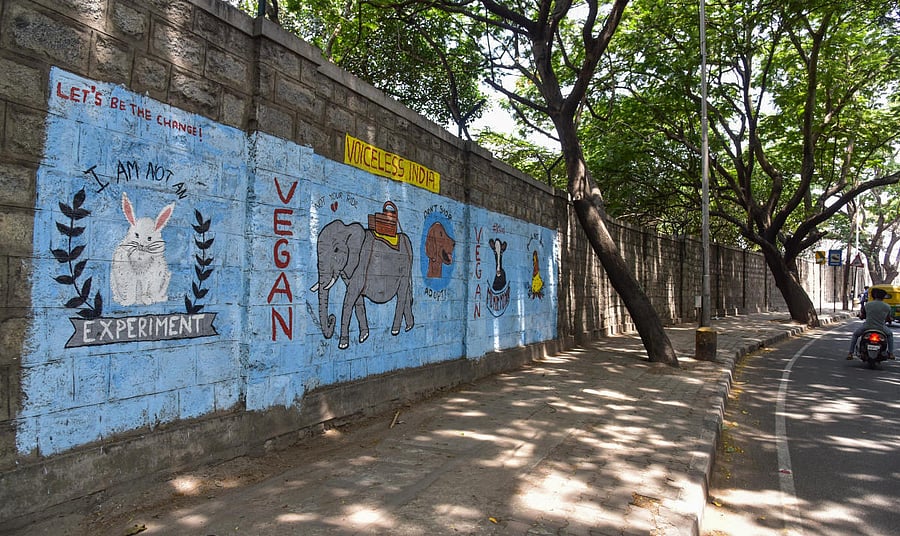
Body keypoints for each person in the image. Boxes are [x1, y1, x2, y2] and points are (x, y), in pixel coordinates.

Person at [848, 287, 894, 359]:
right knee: (890, 335)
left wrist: (861, 317)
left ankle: (850, 353)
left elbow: (862, 315)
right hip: (881, 328)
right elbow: (888, 318)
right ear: (883, 297)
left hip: (867, 326)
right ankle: (891, 353)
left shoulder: (868, 305)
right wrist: (889, 320)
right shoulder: (887, 306)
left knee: (855, 335)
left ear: (874, 296)